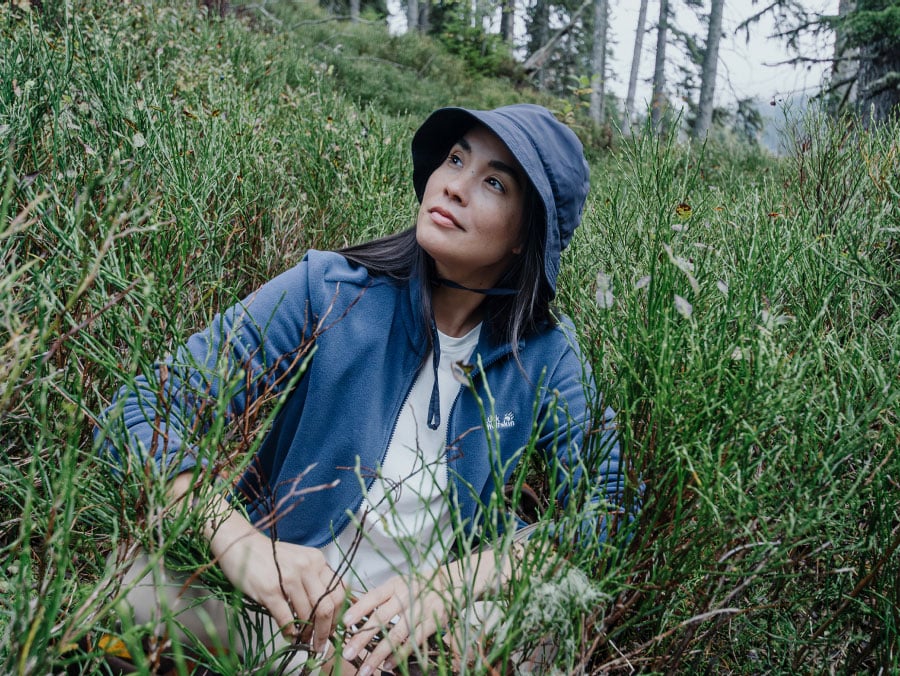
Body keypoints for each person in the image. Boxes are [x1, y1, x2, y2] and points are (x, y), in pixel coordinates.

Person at [99, 103, 623, 674]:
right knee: (134, 592)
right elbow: (142, 409)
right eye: (455, 159)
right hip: (279, 611)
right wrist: (241, 542)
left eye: (494, 183)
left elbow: (609, 510)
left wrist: (454, 584)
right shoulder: (327, 290)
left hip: (427, 638)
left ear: (526, 236)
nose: (453, 186)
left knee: (555, 612)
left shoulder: (547, 355)